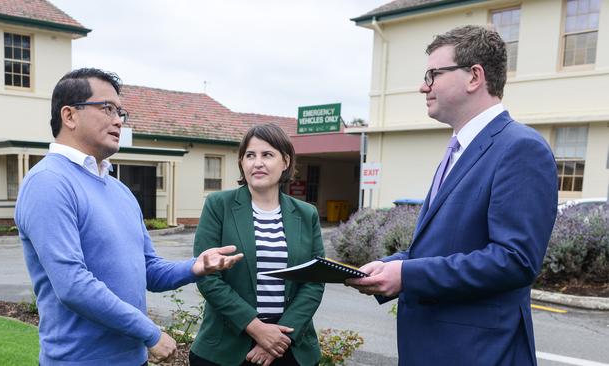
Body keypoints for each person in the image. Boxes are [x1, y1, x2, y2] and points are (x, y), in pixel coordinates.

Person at [346, 25, 558, 365]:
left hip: (478, 353)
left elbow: (514, 260)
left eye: (433, 74)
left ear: (474, 76)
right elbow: (449, 246)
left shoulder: (520, 148)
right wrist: (393, 266)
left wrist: (407, 276)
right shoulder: (459, 148)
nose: (422, 86)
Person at [15, 68, 243, 366]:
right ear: (69, 116)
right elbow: (72, 284)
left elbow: (147, 270)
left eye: (120, 111)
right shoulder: (48, 182)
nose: (118, 120)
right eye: (107, 108)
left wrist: (195, 267)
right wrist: (149, 332)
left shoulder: (119, 190)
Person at [189, 123, 325, 366]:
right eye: (250, 155)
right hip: (227, 345)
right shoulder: (219, 205)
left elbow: (314, 281)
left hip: (289, 345)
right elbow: (207, 276)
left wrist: (279, 337)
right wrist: (256, 328)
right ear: (242, 162)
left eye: (267, 155)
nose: (257, 163)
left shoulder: (306, 214)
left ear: (285, 161)